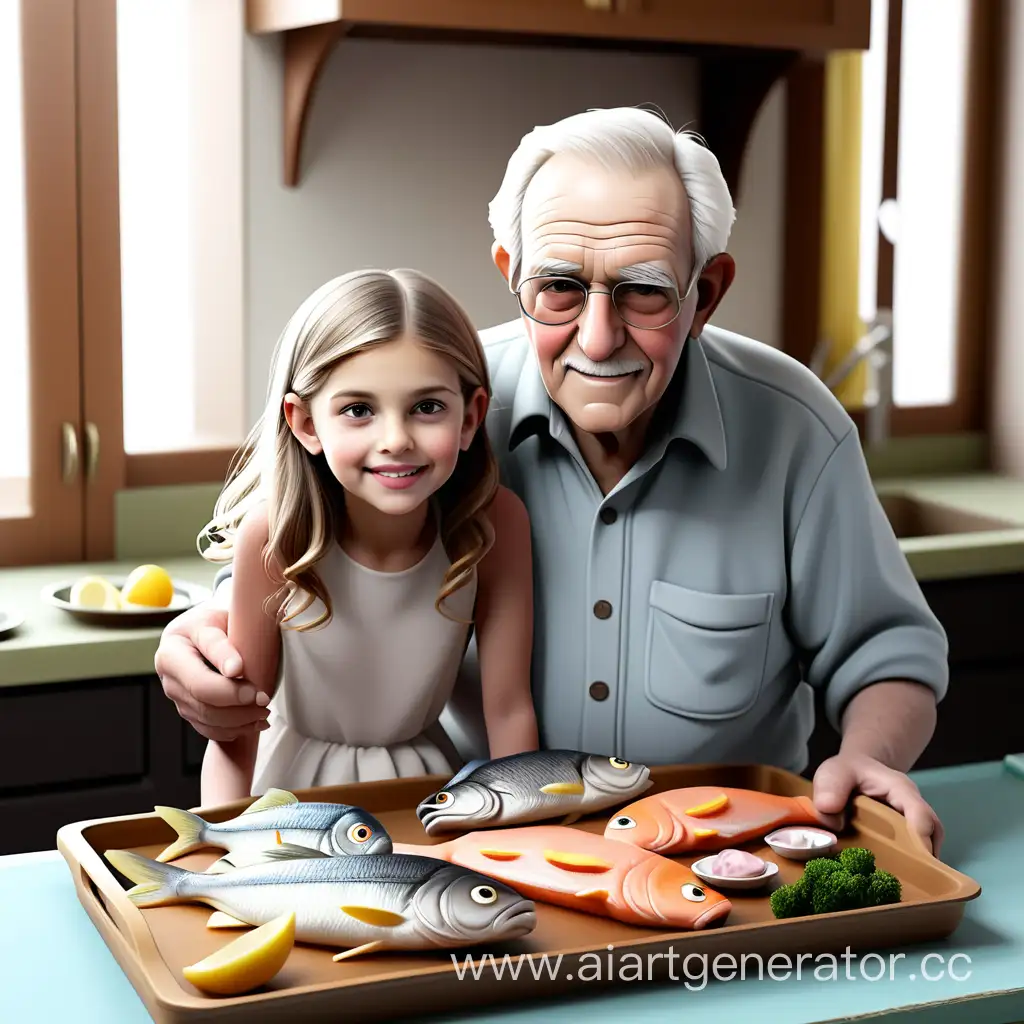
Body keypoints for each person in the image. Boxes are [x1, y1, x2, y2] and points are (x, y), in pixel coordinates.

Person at [157, 107, 948, 854]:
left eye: (644, 291)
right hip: (463, 837)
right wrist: (204, 630)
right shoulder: (443, 413)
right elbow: (305, 553)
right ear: (514, 272)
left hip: (727, 852)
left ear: (704, 293)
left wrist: (872, 755)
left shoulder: (796, 431)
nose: (598, 340)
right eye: (560, 288)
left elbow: (888, 655)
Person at [194, 268, 538, 804]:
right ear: (305, 423)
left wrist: (527, 833)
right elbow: (235, 736)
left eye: (427, 407)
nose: (396, 440)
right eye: (359, 410)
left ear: (470, 417)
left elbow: (510, 709)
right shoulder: (273, 536)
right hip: (286, 803)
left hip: (429, 796)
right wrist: (220, 849)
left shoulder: (495, 525)